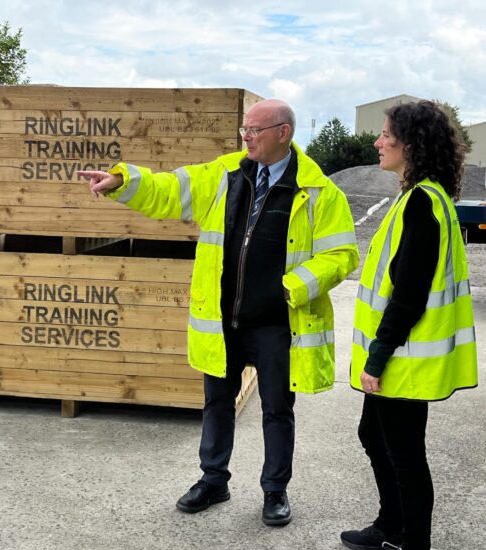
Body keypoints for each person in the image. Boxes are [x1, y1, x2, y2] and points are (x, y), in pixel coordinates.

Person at [78, 99, 358, 525]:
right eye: (244, 129)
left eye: (255, 130)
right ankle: (213, 480)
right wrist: (121, 180)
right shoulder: (225, 173)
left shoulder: (320, 192)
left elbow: (341, 254)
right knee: (217, 403)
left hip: (278, 322)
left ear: (283, 133)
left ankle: (275, 490)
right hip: (225, 317)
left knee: (277, 409)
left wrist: (290, 288)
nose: (246, 136)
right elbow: (169, 189)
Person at [341, 100, 478, 550]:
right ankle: (391, 524)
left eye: (385, 134)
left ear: (411, 144)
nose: (378, 141)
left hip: (402, 356)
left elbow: (408, 295)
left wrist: (376, 358)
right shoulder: (421, 195)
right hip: (397, 352)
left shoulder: (422, 203)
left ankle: (414, 549)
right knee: (373, 435)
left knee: (404, 454)